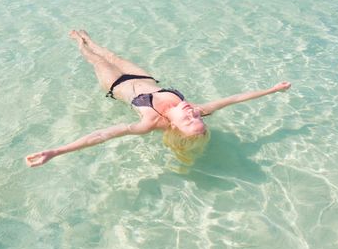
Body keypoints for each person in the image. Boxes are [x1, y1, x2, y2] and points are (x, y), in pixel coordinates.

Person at [26, 30, 291, 167]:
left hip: (116, 84)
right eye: (198, 118)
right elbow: (236, 98)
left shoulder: (149, 123)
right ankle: (89, 38)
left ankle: (80, 43)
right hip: (144, 76)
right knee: (113, 55)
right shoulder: (197, 109)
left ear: (174, 126)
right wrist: (272, 90)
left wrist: (57, 151)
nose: (193, 113)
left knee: (94, 58)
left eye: (189, 120)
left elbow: (101, 135)